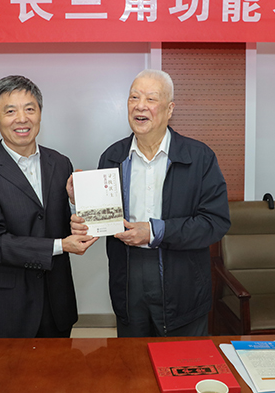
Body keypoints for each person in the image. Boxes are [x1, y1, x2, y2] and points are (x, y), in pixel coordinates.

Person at [70, 69, 230, 337]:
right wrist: (80, 206)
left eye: (151, 99)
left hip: (182, 279)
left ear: (170, 110)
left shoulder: (199, 157)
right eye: (134, 97)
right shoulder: (113, 156)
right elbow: (103, 220)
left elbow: (215, 223)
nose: (140, 105)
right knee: (133, 359)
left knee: (182, 359)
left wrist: (156, 231)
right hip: (128, 278)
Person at [0, 75, 98, 338]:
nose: (22, 119)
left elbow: (58, 224)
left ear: (40, 114)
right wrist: (61, 246)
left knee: (60, 366)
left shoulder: (60, 163)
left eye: (29, 109)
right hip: (8, 307)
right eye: (10, 111)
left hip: (57, 303)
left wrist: (74, 203)